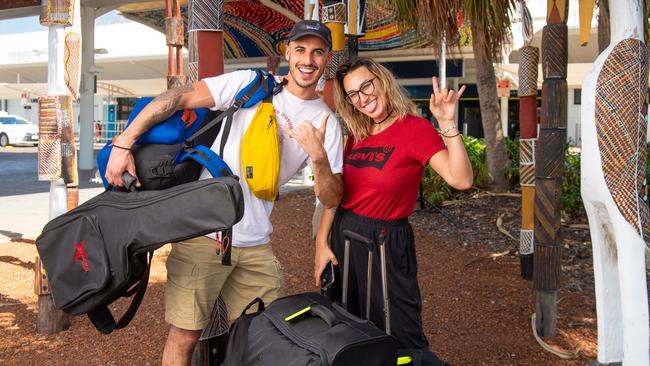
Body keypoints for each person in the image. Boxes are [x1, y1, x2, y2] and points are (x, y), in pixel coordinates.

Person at [105, 20, 344, 366]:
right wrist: (124, 141)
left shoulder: (326, 122)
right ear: (288, 53)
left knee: (263, 334)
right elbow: (179, 97)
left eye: (318, 52)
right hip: (203, 232)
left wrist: (319, 157)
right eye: (301, 50)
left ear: (326, 59)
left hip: (256, 241)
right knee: (186, 335)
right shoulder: (250, 84)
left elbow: (331, 197)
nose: (308, 60)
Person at [313, 57, 472, 362]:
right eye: (353, 94)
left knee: (399, 334)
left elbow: (461, 179)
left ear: (382, 80)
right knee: (348, 329)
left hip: (386, 241)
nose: (363, 98)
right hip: (343, 237)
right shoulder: (356, 134)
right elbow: (336, 196)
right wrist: (321, 243)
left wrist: (448, 124)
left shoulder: (414, 129)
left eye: (367, 85)